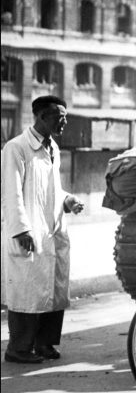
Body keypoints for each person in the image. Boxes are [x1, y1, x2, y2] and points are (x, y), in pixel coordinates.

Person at [2, 96, 85, 364]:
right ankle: (18, 348)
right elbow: (11, 193)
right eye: (59, 117)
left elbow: (53, 190)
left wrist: (68, 200)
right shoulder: (16, 148)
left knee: (53, 289)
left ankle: (44, 344)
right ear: (41, 117)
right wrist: (21, 230)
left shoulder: (53, 149)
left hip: (52, 229)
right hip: (29, 231)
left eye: (65, 116)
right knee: (27, 291)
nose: (64, 121)